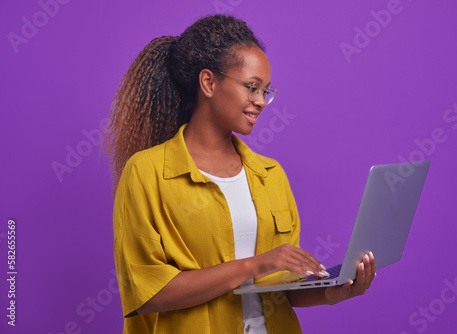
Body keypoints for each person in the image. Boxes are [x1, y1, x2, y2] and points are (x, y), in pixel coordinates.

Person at [105, 14, 376, 334]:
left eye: (266, 90)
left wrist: (334, 291)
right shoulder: (146, 173)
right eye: (252, 87)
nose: (261, 102)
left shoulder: (271, 175)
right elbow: (148, 293)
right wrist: (256, 264)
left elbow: (281, 289)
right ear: (209, 83)